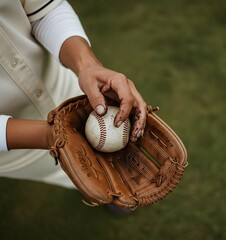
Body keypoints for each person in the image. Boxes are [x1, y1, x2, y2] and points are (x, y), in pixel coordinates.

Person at [0, 0, 147, 189]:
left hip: (69, 93)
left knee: (117, 171)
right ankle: (105, 189)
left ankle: (117, 188)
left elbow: (44, 9)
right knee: (81, 177)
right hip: (15, 146)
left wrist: (87, 65)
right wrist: (52, 135)